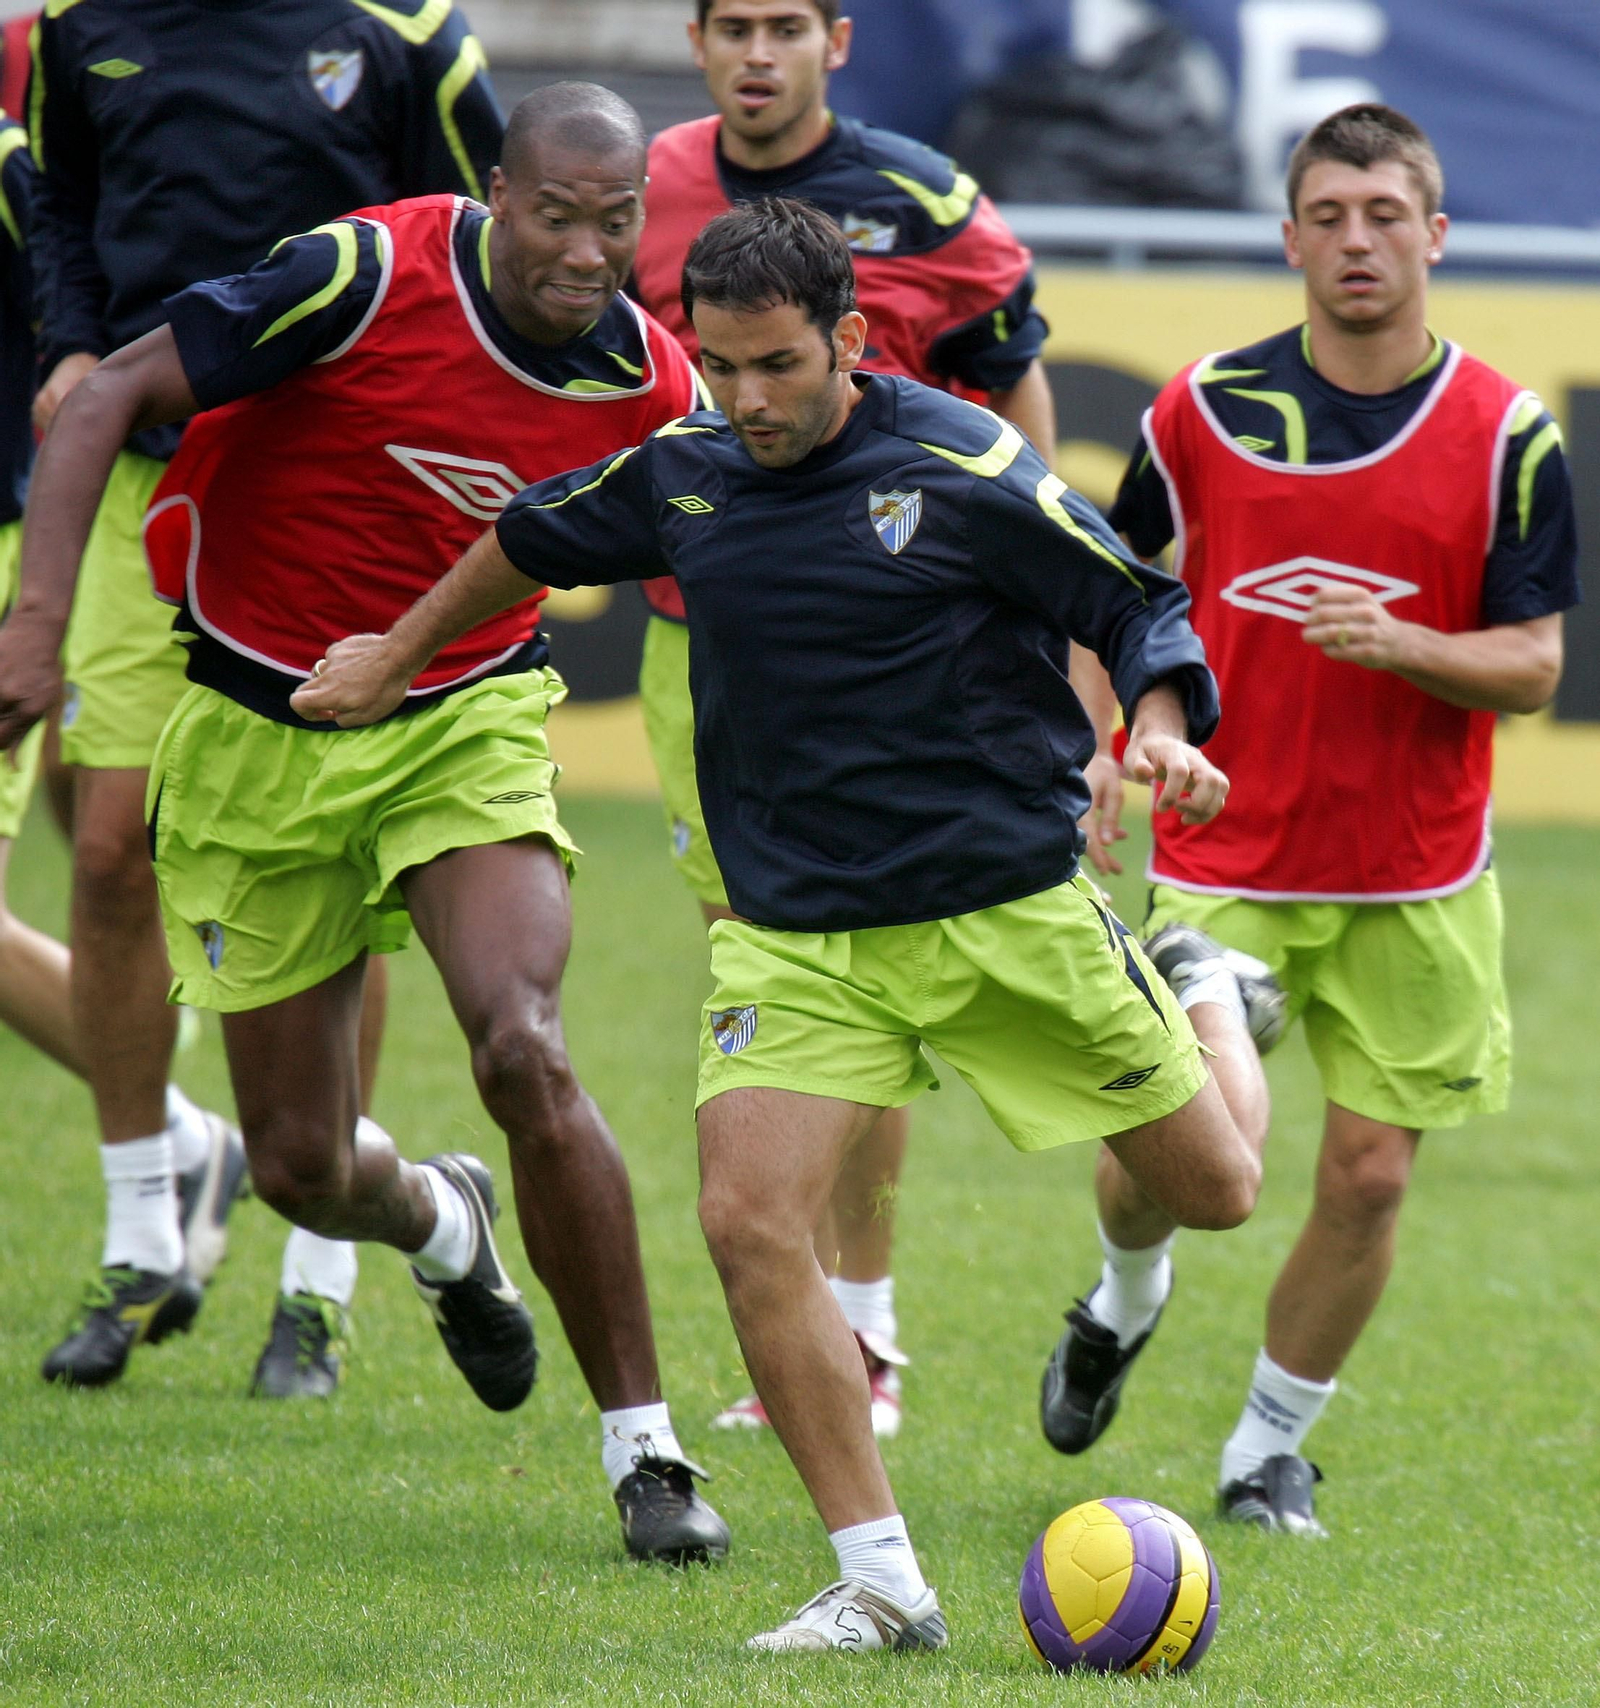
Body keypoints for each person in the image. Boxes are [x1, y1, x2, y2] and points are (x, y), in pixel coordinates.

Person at [296, 196, 1261, 1653]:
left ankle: (1203, 988)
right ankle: (883, 1580)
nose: (746, 400)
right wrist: (396, 655)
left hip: (1003, 911)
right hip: (798, 933)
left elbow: (1136, 606)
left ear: (851, 342)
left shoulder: (963, 461)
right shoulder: (686, 476)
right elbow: (529, 535)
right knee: (748, 1221)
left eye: (779, 367)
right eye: (721, 365)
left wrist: (1164, 729)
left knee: (1217, 1191)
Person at [0, 85, 730, 1564]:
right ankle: (446, 1228)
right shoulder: (363, 274)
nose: (587, 251)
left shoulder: (654, 387)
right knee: (299, 1167)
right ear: (497, 195)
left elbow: (754, 560)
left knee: (523, 1042)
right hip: (255, 731)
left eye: (618, 222)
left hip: (461, 719)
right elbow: (100, 402)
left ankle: (648, 1461)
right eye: (556, 215)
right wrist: (34, 632)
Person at [1043, 104, 1578, 1537]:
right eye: (1329, 216)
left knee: (1370, 1176)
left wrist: (1406, 645)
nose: (1357, 240)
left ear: (1436, 235)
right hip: (1230, 852)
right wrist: (1105, 745)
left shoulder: (1507, 438)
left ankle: (1266, 1448)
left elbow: (1535, 665)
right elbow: (1106, 586)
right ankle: (1124, 1296)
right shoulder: (1201, 409)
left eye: (1385, 215)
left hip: (1420, 873)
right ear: (1289, 239)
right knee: (1185, 1140)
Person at [18, 0, 506, 1390]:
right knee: (110, 851)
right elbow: (58, 197)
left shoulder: (407, 35)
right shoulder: (81, 26)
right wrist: (70, 336)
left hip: (326, 498)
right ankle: (141, 1239)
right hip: (139, 471)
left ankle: (319, 1276)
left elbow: (493, 241)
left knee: (339, 877)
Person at [627, 0, 1059, 1438]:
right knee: (776, 978)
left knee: (858, 967)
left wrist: (1033, 579)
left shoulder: (932, 206)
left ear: (840, 41)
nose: (760, 53)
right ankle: (811, 1322)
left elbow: (1011, 395)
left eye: (787, 26)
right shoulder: (647, 189)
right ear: (696, 42)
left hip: (899, 658)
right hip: (714, 657)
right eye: (734, 26)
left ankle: (862, 1329)